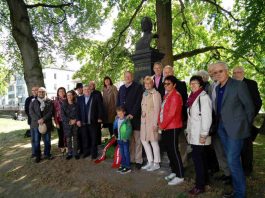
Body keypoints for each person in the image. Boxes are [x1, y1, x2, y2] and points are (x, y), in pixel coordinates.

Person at [214, 62, 255, 198]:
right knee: (232, 160)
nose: (218, 74)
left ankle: (240, 194)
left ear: (227, 71)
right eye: (215, 72)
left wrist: (243, 126)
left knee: (232, 160)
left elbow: (249, 108)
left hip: (236, 130)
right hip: (222, 128)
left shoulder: (238, 85)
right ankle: (237, 190)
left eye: (220, 71)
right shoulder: (217, 88)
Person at [233, 66, 262, 176]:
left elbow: (258, 102)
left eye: (239, 72)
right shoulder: (230, 85)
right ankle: (237, 167)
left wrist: (250, 117)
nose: (236, 74)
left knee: (246, 146)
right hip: (234, 121)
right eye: (234, 72)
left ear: (243, 72)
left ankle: (247, 169)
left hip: (246, 121)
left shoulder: (251, 83)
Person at [186, 75, 212, 195]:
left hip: (200, 135)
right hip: (194, 134)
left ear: (201, 85)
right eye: (191, 83)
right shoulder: (192, 97)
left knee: (198, 160)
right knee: (202, 159)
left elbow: (207, 118)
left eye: (195, 83)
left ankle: (199, 186)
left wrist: (204, 134)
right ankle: (205, 181)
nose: (193, 85)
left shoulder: (203, 98)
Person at [158, 75, 184, 185]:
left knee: (174, 151)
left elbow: (171, 114)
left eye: (168, 83)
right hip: (166, 127)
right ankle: (174, 171)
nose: (166, 85)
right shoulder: (167, 95)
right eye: (165, 84)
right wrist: (161, 123)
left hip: (173, 127)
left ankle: (180, 175)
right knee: (169, 151)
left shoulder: (175, 96)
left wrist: (161, 125)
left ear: (174, 85)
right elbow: (163, 111)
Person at [208, 63, 231, 184]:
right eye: (211, 71)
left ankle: (233, 174)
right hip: (215, 123)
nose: (213, 73)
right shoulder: (212, 86)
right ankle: (226, 172)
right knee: (218, 148)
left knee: (229, 150)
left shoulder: (229, 85)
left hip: (227, 124)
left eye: (215, 71)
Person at [117, 71, 143, 169]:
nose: (127, 78)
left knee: (137, 140)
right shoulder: (122, 88)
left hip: (135, 118)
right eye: (125, 76)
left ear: (132, 77)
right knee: (130, 139)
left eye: (129, 76)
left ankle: (139, 160)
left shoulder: (138, 87)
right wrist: (119, 113)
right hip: (124, 119)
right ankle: (131, 159)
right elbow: (118, 102)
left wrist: (132, 113)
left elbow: (138, 102)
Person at [77, 85, 104, 160]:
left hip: (93, 122)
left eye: (88, 89)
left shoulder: (95, 97)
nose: (86, 90)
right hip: (83, 123)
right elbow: (78, 110)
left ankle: (94, 153)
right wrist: (78, 120)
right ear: (83, 90)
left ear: (90, 90)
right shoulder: (80, 98)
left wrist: (100, 117)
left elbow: (100, 108)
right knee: (85, 138)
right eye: (85, 89)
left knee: (93, 138)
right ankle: (86, 152)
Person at [140, 76, 161, 171]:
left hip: (152, 122)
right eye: (146, 83)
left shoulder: (156, 94)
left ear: (152, 84)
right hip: (144, 122)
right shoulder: (144, 94)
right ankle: (150, 161)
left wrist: (155, 124)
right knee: (144, 141)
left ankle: (156, 163)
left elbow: (157, 110)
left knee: (154, 141)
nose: (147, 85)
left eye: (149, 83)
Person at [29, 87, 54, 163]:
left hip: (46, 123)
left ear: (45, 92)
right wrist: (38, 120)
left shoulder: (49, 101)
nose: (41, 93)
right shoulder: (33, 101)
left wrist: (43, 119)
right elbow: (31, 111)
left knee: (47, 140)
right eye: (40, 91)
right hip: (36, 124)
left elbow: (50, 112)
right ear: (37, 92)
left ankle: (47, 154)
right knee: (36, 141)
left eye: (43, 92)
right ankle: (38, 156)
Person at [61, 90, 80, 160]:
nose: (69, 96)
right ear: (66, 96)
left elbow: (79, 113)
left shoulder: (76, 104)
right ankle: (69, 153)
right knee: (68, 140)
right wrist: (70, 120)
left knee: (75, 139)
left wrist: (75, 120)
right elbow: (62, 115)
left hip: (75, 124)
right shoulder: (63, 104)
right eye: (68, 95)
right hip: (67, 124)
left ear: (73, 96)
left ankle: (76, 153)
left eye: (70, 95)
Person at [114, 106, 133, 174]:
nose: (119, 115)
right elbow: (115, 128)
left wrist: (126, 137)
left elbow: (129, 130)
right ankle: (123, 165)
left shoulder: (127, 121)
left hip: (125, 140)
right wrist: (116, 136)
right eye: (118, 114)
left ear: (124, 113)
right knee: (122, 153)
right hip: (119, 139)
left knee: (126, 153)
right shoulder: (116, 120)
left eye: (121, 113)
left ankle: (128, 167)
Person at [24, 86, 39, 158]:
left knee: (41, 138)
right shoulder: (28, 99)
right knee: (33, 138)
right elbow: (27, 110)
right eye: (33, 90)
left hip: (41, 121)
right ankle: (34, 152)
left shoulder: (41, 98)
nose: (34, 91)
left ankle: (42, 152)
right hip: (32, 121)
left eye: (36, 90)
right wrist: (34, 118)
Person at [88, 81, 103, 145]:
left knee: (97, 130)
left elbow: (100, 105)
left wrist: (100, 116)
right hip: (89, 116)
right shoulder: (87, 93)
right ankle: (92, 143)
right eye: (90, 85)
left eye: (92, 85)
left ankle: (98, 143)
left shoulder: (98, 93)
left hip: (97, 115)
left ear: (94, 86)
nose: (91, 86)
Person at [53, 87, 67, 155]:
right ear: (58, 93)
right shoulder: (56, 101)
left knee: (67, 134)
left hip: (66, 120)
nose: (61, 92)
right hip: (59, 120)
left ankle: (67, 146)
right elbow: (55, 113)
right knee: (60, 134)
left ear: (65, 92)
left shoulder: (67, 99)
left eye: (63, 91)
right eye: (60, 91)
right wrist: (56, 122)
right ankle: (62, 146)